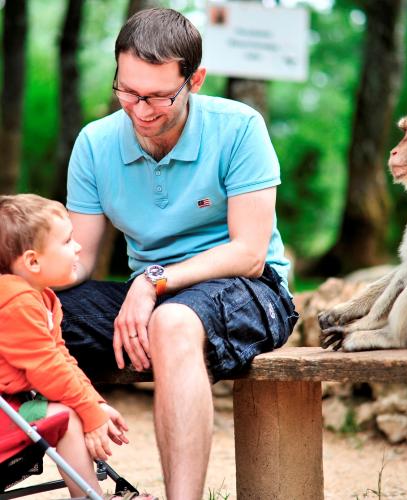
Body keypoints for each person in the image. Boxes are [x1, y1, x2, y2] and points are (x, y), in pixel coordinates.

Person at [57, 7, 298, 500]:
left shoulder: (238, 128)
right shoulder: (95, 144)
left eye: (159, 96)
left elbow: (250, 253)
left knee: (173, 323)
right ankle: (92, 493)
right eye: (127, 92)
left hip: (252, 290)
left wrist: (151, 281)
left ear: (196, 80)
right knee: (33, 316)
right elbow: (77, 260)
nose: (141, 109)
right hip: (154, 296)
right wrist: (19, 283)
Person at [0, 194, 156, 500]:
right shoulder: (15, 301)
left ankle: (90, 496)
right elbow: (48, 368)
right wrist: (88, 410)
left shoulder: (44, 298)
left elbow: (62, 359)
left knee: (72, 411)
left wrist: (93, 404)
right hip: (7, 413)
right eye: (67, 241)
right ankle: (89, 497)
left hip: (15, 406)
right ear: (33, 261)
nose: (78, 247)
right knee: (69, 415)